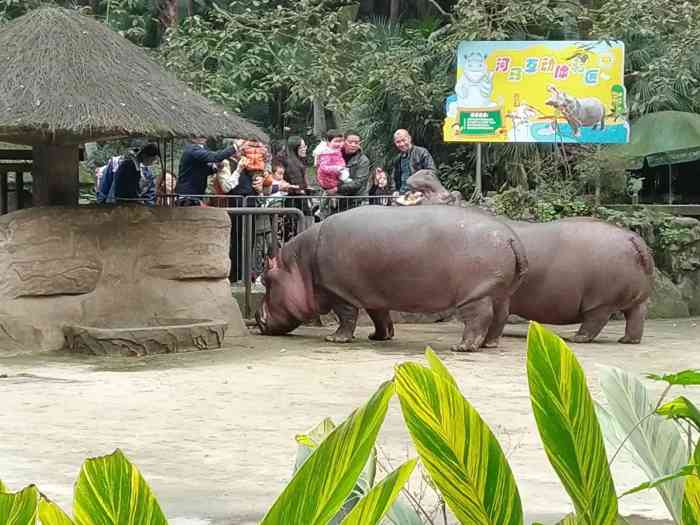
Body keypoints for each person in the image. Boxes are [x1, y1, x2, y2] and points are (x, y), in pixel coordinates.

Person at [174, 137, 237, 206]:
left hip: (195, 195)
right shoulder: (192, 149)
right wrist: (235, 147)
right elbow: (215, 157)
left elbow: (201, 170)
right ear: (192, 138)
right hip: (187, 196)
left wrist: (215, 168)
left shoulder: (201, 148)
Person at [390, 129, 436, 194]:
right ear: (395, 143)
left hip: (419, 194)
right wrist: (395, 190)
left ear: (409, 138)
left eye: (403, 140)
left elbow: (432, 172)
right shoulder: (397, 159)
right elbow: (394, 178)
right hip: (402, 195)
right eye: (398, 142)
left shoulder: (422, 152)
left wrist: (421, 189)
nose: (402, 144)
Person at [337, 130, 371, 212]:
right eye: (350, 142)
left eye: (356, 143)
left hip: (356, 201)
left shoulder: (363, 160)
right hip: (337, 200)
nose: (353, 145)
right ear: (344, 141)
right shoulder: (335, 155)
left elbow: (358, 183)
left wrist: (337, 188)